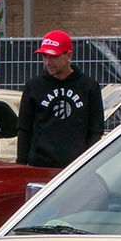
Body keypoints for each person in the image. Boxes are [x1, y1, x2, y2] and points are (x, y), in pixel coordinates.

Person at [16, 30, 103, 169]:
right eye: (44, 56)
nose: (48, 62)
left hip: (75, 168)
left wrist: (88, 164)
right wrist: (21, 165)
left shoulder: (89, 87)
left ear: (68, 55)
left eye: (53, 57)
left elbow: (95, 130)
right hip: (39, 166)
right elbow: (24, 129)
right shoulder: (34, 86)